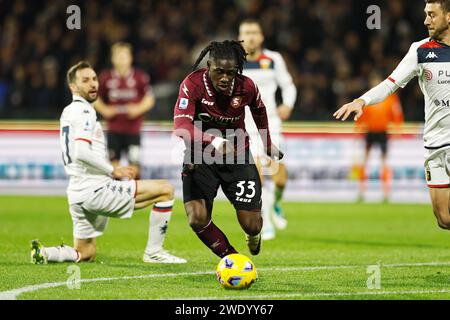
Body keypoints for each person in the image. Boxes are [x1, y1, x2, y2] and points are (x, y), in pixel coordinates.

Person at [31, 61, 186, 264]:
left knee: (85, 253)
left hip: (77, 194)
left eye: (94, 79)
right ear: (73, 87)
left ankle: (46, 253)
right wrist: (112, 169)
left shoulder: (69, 111)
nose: (93, 84)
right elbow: (80, 152)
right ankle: (154, 252)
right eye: (85, 80)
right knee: (165, 189)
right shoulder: (85, 112)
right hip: (95, 189)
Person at [334, 0, 450, 230]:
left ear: (449, 16)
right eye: (426, 14)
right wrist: (362, 100)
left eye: (432, 15)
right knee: (444, 219)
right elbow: (390, 84)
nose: (426, 20)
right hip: (436, 143)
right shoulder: (420, 50)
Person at [173, 40, 283, 258]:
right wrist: (213, 141)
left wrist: (267, 143)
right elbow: (182, 126)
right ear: (209, 66)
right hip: (199, 155)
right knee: (197, 217)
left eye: (230, 73)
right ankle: (232, 258)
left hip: (238, 156)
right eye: (219, 71)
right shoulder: (193, 84)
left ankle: (253, 236)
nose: (224, 78)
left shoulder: (247, 86)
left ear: (237, 71)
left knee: (252, 224)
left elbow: (259, 111)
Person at [238, 19, 297, 240]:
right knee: (258, 175)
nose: (251, 36)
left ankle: (277, 202)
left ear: (261, 36)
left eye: (254, 32)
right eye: (246, 32)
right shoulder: (235, 62)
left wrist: (287, 104)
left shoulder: (273, 59)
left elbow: (288, 85)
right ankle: (265, 219)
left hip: (271, 122)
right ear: (239, 37)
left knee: (279, 178)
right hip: (245, 125)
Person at [95, 42, 155, 178]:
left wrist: (138, 109)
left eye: (124, 55)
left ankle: (135, 198)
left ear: (130, 58)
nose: (121, 59)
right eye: (118, 56)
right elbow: (95, 97)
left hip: (133, 130)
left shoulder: (139, 77)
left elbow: (150, 99)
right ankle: (117, 198)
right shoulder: (106, 77)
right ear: (113, 58)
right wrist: (104, 110)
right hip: (114, 130)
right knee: (113, 169)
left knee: (134, 169)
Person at [354, 71, 404, 202]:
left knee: (383, 163)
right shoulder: (368, 97)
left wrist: (398, 128)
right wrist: (358, 128)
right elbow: (361, 115)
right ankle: (361, 191)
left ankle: (386, 193)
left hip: (382, 132)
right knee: (364, 162)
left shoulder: (390, 98)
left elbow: (396, 113)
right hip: (370, 132)